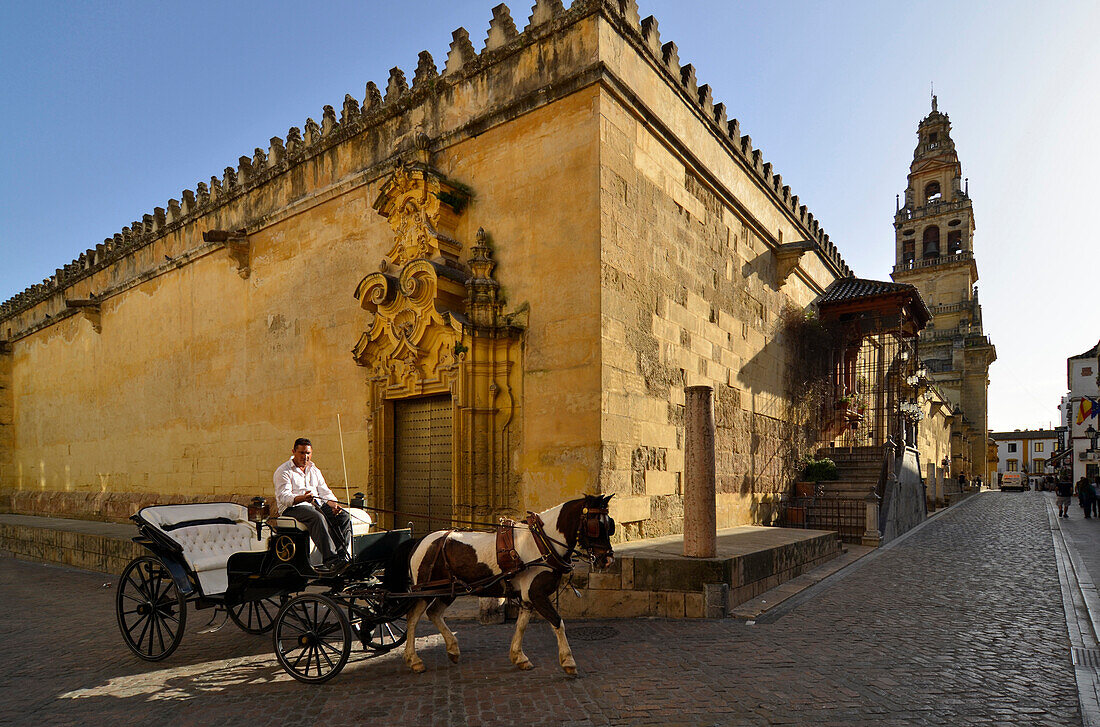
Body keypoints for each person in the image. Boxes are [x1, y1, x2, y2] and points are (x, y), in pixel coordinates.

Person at [274, 437, 352, 573]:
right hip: (293, 508)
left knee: (344, 516)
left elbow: (325, 491)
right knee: (317, 517)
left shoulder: (314, 469)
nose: (305, 457)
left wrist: (333, 504)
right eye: (302, 453)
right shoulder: (284, 471)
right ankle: (331, 560)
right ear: (294, 452)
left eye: (308, 453)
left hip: (316, 505)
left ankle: (342, 558)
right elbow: (284, 497)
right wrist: (301, 498)